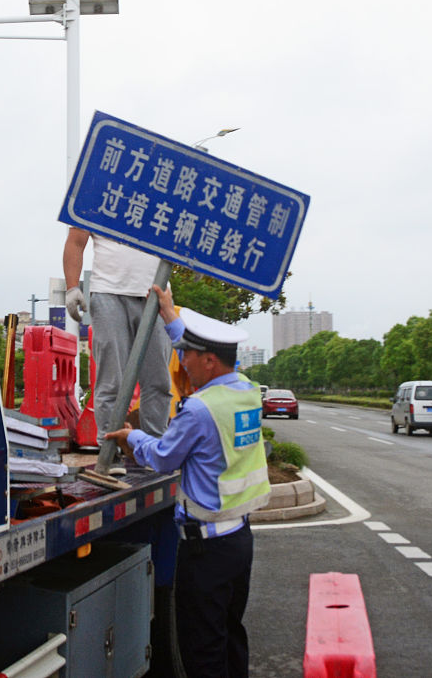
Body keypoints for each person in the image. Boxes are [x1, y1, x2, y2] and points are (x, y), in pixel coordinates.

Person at [105, 284, 270, 678]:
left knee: (203, 651)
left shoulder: (199, 410)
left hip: (205, 553)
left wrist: (132, 437)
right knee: (231, 635)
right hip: (239, 543)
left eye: (187, 356)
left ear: (210, 361)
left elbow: (163, 457)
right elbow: (196, 349)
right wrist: (169, 316)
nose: (181, 363)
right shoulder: (247, 391)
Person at [63, 229, 172, 455]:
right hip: (108, 292)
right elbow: (76, 241)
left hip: (155, 293)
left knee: (158, 381)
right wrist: (72, 286)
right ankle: (109, 451)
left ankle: (155, 450)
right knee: (111, 380)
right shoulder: (96, 194)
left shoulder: (162, 193)